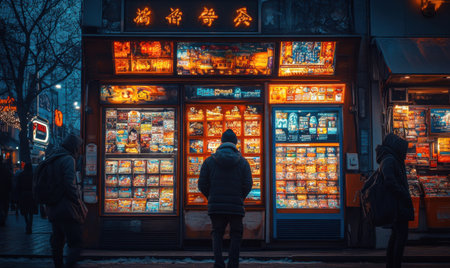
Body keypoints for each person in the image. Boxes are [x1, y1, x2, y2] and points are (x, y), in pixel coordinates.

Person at [198, 129, 253, 268]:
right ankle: (233, 264)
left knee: (217, 234)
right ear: (235, 143)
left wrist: (211, 197)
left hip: (216, 206)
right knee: (236, 235)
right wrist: (240, 197)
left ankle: (219, 263)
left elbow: (202, 184)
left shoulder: (210, 161)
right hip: (236, 206)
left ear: (221, 142)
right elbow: (248, 184)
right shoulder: (243, 162)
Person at [45, 133, 86, 268]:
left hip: (53, 206)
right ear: (74, 146)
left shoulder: (53, 157)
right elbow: (69, 185)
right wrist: (78, 202)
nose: (80, 150)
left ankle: (58, 265)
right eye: (79, 147)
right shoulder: (68, 159)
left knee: (57, 241)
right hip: (66, 207)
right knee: (76, 242)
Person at [375, 133, 414, 268]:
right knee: (400, 237)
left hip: (397, 204)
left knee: (396, 235)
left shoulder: (389, 158)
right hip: (397, 205)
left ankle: (392, 264)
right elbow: (390, 181)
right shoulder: (390, 160)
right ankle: (394, 264)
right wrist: (403, 194)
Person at [18, 162, 37, 234]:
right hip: (31, 194)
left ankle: (27, 223)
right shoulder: (33, 175)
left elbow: (18, 185)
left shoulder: (21, 175)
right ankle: (30, 225)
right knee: (31, 211)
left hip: (23, 194)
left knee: (25, 211)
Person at [0, 156, 13, 226]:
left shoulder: (5, 168)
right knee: (5, 205)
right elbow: (9, 179)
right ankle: (3, 218)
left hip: (4, 190)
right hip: (5, 191)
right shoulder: (6, 169)